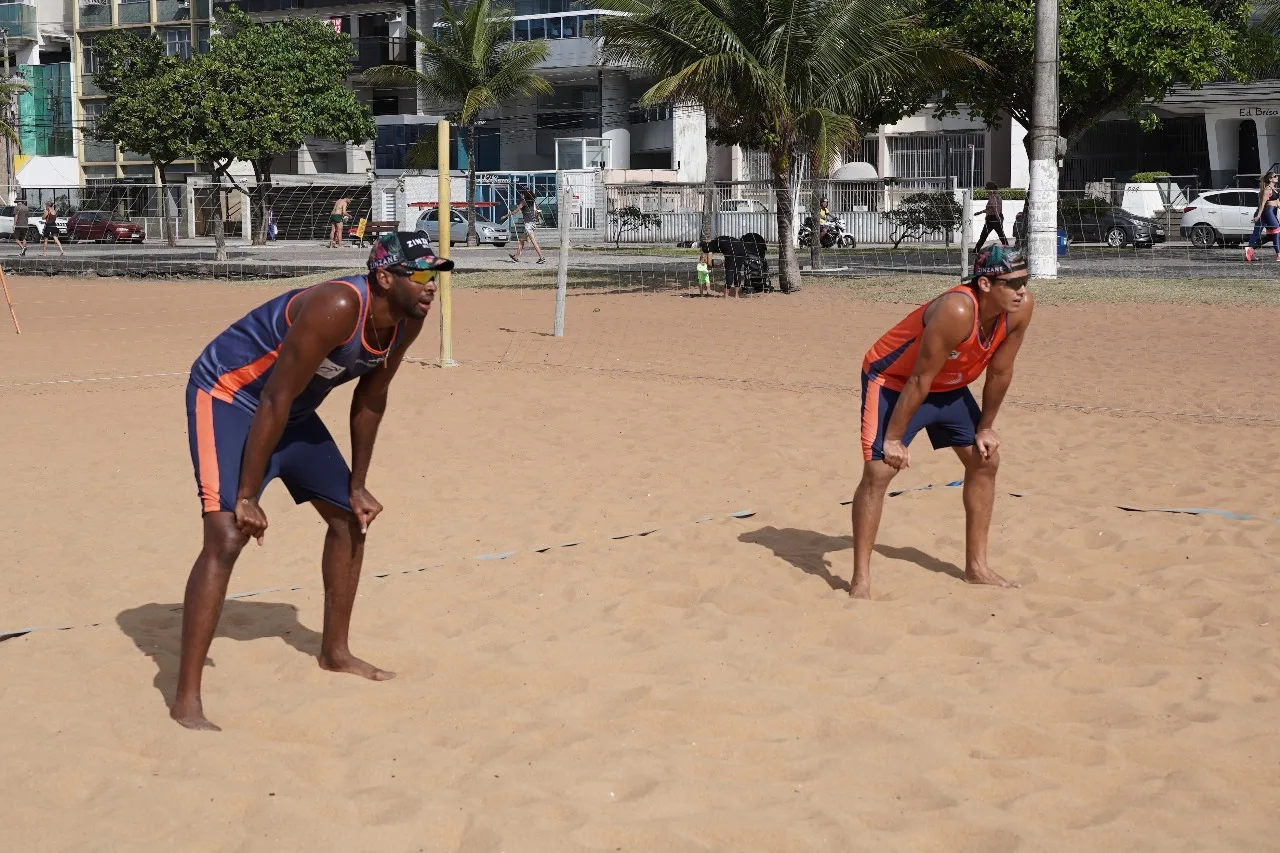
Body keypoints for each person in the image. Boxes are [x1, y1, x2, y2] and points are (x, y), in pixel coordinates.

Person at [173, 231, 453, 731]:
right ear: (385, 277)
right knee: (226, 534)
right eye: (422, 274)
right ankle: (186, 698)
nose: (431, 286)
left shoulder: (407, 320)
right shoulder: (338, 304)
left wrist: (358, 483)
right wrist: (246, 495)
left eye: (436, 275)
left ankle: (335, 653)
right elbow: (273, 398)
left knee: (350, 519)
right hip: (229, 395)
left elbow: (371, 399)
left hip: (291, 410)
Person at [850, 244, 1033, 600]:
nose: (1022, 290)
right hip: (894, 381)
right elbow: (919, 378)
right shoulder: (958, 308)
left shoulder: (1021, 308)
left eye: (1025, 280)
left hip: (948, 384)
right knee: (879, 472)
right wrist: (894, 439)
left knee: (985, 460)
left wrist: (985, 426)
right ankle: (861, 580)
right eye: (1012, 283)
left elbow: (1001, 371)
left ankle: (976, 568)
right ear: (984, 284)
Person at [1245, 172, 1280, 262]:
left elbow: (1277, 202)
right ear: (1270, 179)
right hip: (1268, 212)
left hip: (1272, 212)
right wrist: (1258, 215)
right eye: (1275, 176)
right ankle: (1279, 255)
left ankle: (1250, 250)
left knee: (1270, 236)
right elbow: (1262, 204)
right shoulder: (1267, 189)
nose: (1277, 177)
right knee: (1276, 232)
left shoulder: (1274, 189)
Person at [505, 188, 546, 264]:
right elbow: (537, 213)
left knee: (534, 242)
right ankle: (516, 256)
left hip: (528, 225)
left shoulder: (523, 202)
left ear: (525, 194)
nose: (521, 195)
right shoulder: (533, 202)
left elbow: (514, 212)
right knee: (521, 240)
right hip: (532, 224)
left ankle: (542, 257)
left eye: (522, 193)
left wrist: (505, 216)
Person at [973, 182, 1009, 248]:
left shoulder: (993, 197)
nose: (986, 190)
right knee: (1001, 235)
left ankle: (976, 250)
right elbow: (991, 209)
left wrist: (998, 218)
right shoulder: (998, 197)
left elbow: (995, 208)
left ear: (990, 189)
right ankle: (1007, 247)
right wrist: (980, 212)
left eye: (987, 189)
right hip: (996, 217)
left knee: (984, 236)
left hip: (992, 218)